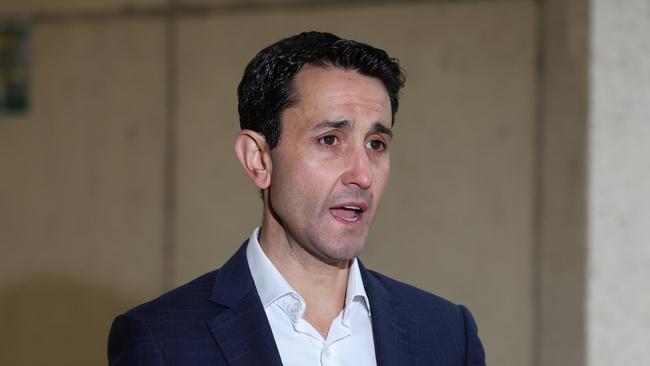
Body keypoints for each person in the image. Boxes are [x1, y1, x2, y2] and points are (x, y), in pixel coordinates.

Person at [108, 31, 485, 366]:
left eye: (376, 144)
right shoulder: (162, 340)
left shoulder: (449, 335)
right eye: (329, 140)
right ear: (259, 159)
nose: (363, 174)